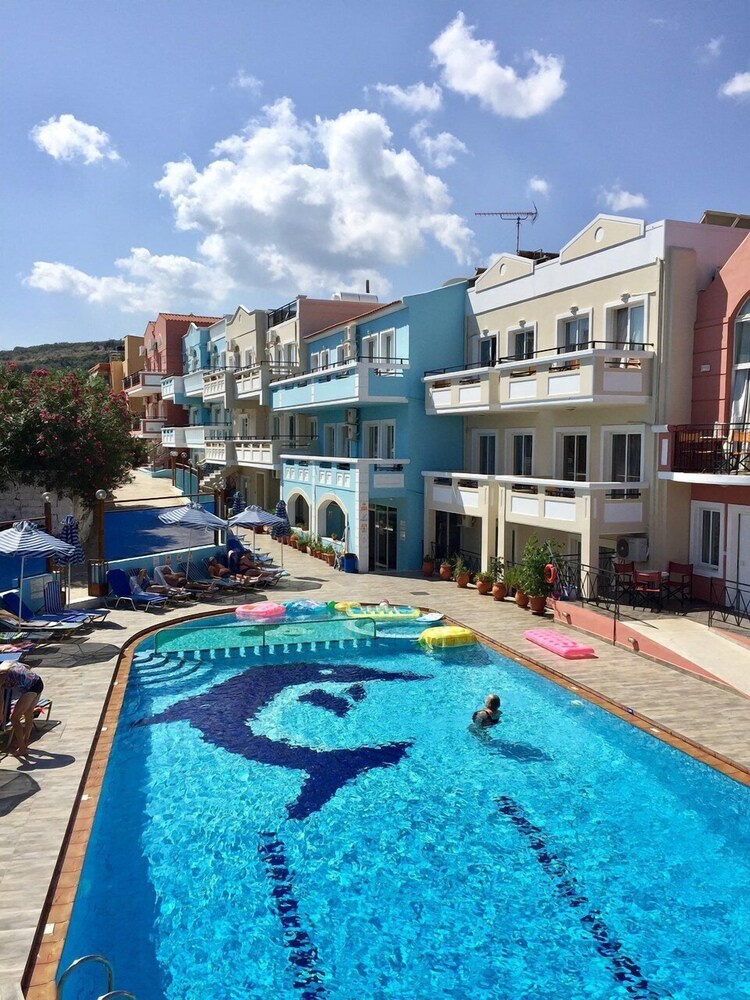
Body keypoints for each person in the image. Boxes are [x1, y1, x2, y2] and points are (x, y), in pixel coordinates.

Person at [1, 663, 44, 756]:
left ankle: (22, 748)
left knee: (14, 719)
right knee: (28, 713)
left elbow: (1, 701)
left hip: (31, 688)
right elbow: (28, 666)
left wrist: (1, 715)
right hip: (38, 681)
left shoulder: (1, 675)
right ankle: (25, 742)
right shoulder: (8, 662)